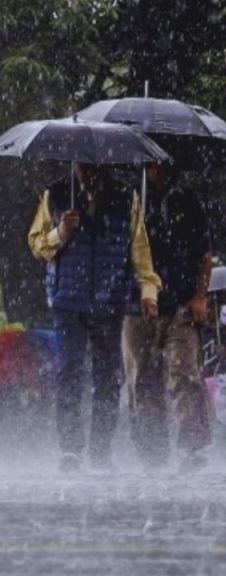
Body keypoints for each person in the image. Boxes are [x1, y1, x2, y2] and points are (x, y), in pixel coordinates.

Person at [28, 163, 162, 473]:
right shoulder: (56, 194)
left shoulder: (125, 197)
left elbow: (140, 250)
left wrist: (148, 291)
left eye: (92, 166)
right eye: (81, 166)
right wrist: (60, 233)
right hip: (68, 302)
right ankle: (70, 449)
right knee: (69, 373)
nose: (86, 172)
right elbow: (36, 244)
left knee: (108, 378)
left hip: (109, 301)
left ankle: (101, 451)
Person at [121, 163, 213, 474]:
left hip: (180, 304)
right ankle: (151, 453)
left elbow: (204, 254)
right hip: (135, 304)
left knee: (184, 373)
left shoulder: (186, 200)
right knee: (141, 380)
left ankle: (191, 448)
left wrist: (200, 296)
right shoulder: (129, 198)